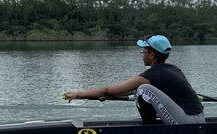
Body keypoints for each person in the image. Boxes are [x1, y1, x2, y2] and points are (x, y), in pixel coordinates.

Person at [63, 35, 205, 125]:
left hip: (189, 123)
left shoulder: (155, 74)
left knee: (144, 90)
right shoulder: (172, 69)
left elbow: (109, 89)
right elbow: (121, 91)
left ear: (152, 55)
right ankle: (151, 127)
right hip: (196, 118)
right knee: (142, 89)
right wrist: (113, 96)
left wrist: (78, 94)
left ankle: (149, 129)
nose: (142, 55)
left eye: (143, 52)